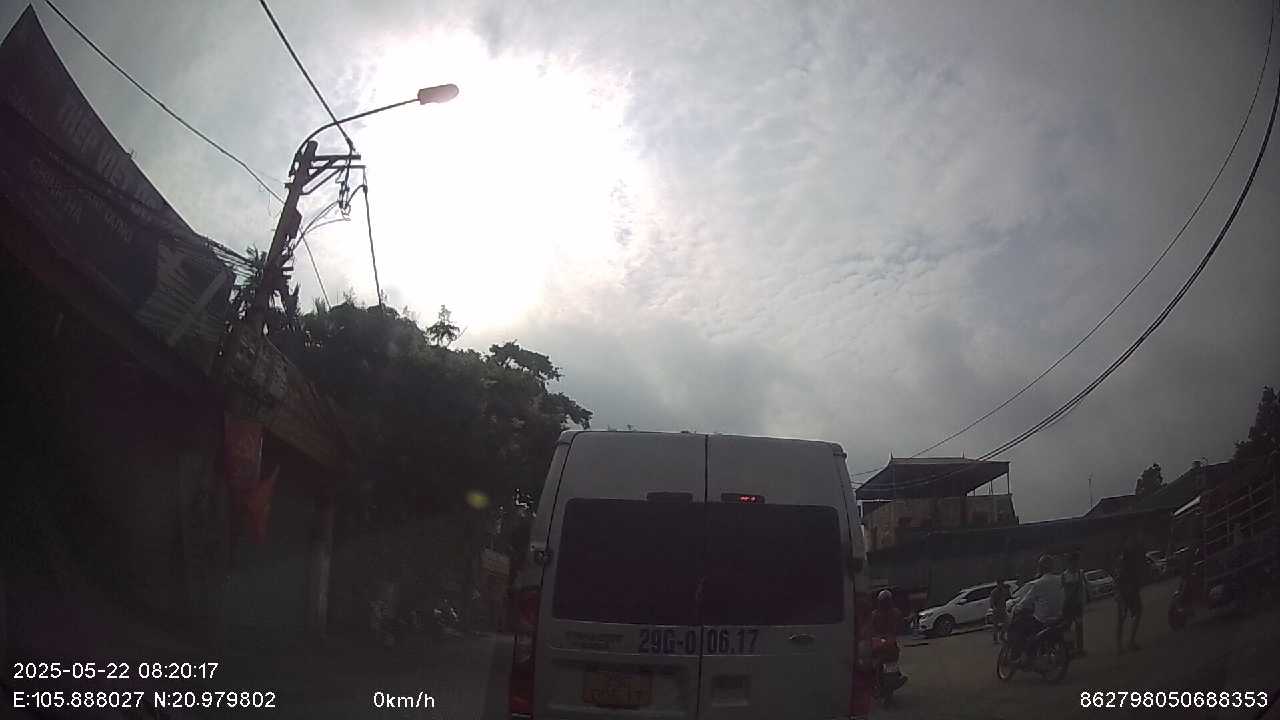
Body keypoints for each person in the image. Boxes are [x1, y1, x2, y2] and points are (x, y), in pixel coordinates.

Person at [1008, 555, 1064, 660]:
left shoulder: (1039, 584)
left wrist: (1017, 607)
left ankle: (1019, 655)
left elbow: (1027, 600)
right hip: (1059, 617)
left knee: (1019, 627)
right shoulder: (1060, 580)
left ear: (1041, 568)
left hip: (1042, 619)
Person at [869, 589, 908, 691]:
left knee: (891, 659)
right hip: (881, 642)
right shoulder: (876, 614)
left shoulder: (894, 613)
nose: (884, 603)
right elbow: (870, 628)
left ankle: (895, 676)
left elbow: (900, 626)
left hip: (886, 642)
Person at [1115, 535, 1145, 653]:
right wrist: (1119, 594)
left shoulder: (1131, 556)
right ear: (1125, 543)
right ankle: (1121, 645)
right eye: (1129, 541)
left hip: (1131, 590)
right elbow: (1119, 576)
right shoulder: (1123, 558)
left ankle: (1129, 642)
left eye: (1132, 541)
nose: (1131, 543)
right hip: (1125, 591)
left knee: (1137, 612)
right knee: (1122, 618)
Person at [1060, 552, 1086, 656]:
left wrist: (1083, 602)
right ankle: (1070, 649)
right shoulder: (1064, 575)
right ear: (1069, 563)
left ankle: (1080, 649)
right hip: (1067, 605)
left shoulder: (1080, 573)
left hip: (1077, 605)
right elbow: (1061, 591)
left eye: (1076, 562)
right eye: (1073, 562)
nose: (1075, 565)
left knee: (1079, 626)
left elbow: (1082, 590)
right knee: (1067, 628)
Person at [989, 580, 1010, 645]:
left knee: (1007, 622)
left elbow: (1007, 597)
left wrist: (1008, 590)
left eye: (1002, 583)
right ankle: (995, 639)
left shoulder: (1004, 590)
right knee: (996, 625)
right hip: (997, 610)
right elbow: (992, 601)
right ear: (998, 584)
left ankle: (1002, 636)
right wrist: (994, 608)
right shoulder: (994, 592)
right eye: (1000, 584)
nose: (1001, 585)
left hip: (1003, 609)